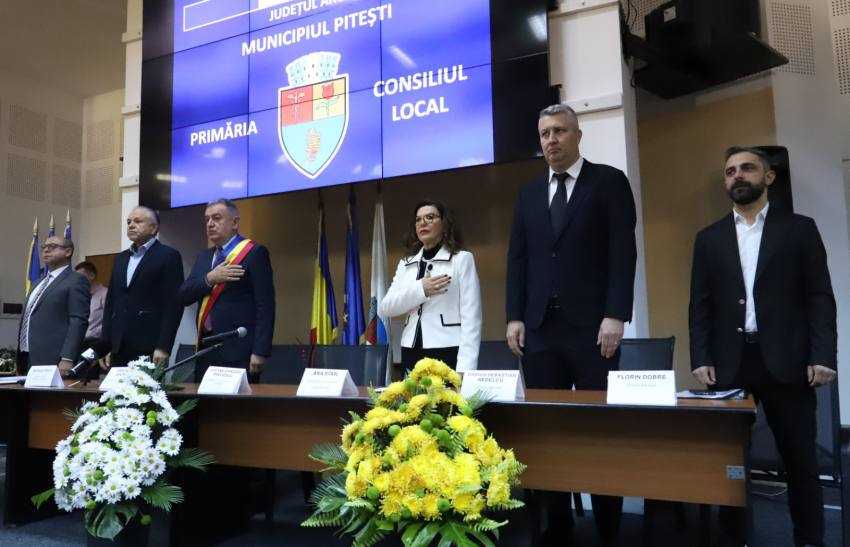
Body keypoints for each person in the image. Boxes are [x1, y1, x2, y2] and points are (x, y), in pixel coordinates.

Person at [690, 146, 836, 547]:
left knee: (800, 461)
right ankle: (735, 538)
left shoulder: (800, 229)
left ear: (768, 177)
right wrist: (700, 356)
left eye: (747, 168)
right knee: (728, 463)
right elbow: (699, 304)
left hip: (788, 361)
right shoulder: (709, 238)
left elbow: (819, 297)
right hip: (728, 364)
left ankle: (809, 540)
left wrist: (822, 355)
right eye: (730, 171)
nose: (738, 176)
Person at [505, 103, 637, 543]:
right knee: (547, 432)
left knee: (601, 432)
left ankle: (608, 529)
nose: (551, 140)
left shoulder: (609, 182)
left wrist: (616, 314)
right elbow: (518, 261)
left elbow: (623, 252)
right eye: (544, 134)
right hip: (540, 330)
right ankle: (556, 528)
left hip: (594, 330)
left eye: (560, 131)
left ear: (578, 135)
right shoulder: (526, 194)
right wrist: (514, 316)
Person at [380, 200, 482, 372]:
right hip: (411, 349)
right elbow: (387, 308)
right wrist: (421, 289)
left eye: (430, 217)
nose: (423, 223)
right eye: (418, 220)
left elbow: (472, 318)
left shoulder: (461, 259)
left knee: (446, 400)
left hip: (447, 348)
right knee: (414, 400)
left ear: (444, 224)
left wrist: (466, 369)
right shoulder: (406, 263)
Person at [180, 198, 275, 381]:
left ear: (235, 222)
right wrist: (210, 279)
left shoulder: (254, 253)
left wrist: (260, 350)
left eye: (216, 218)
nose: (210, 224)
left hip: (240, 349)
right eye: (207, 219)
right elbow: (184, 295)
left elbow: (266, 305)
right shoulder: (204, 257)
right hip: (206, 347)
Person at [101, 206, 184, 368]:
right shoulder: (121, 258)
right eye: (129, 222)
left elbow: (174, 305)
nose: (131, 225)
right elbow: (111, 303)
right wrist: (105, 344)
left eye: (138, 221)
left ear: (154, 228)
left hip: (149, 346)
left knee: (146, 393)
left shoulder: (168, 256)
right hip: (118, 346)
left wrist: (163, 346)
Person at [17, 236, 90, 375]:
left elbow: (78, 321)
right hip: (26, 355)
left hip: (54, 358)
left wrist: (67, 357)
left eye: (53, 246)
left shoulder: (76, 280)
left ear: (68, 252)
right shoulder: (37, 282)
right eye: (44, 247)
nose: (46, 250)